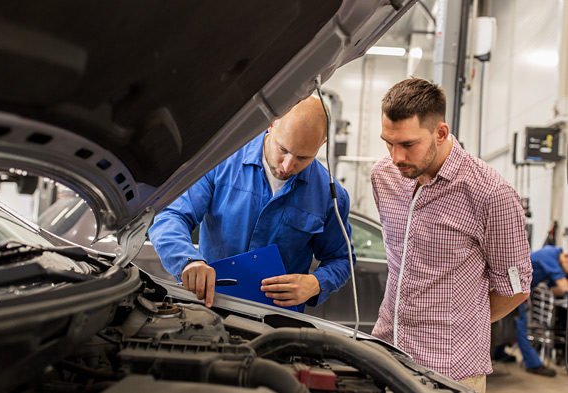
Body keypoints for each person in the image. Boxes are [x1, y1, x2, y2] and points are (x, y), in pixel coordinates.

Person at [370, 78, 532, 392]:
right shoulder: (384, 176)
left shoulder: (490, 194)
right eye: (388, 142)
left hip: (449, 373)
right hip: (385, 355)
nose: (395, 157)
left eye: (407, 144)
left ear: (440, 133)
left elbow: (516, 288)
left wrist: (457, 325)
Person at [149, 96, 355, 311]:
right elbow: (170, 216)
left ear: (321, 144)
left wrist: (315, 283)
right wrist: (188, 260)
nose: (287, 166)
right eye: (283, 150)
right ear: (271, 123)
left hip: (277, 321)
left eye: (303, 158)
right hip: (208, 309)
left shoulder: (330, 195)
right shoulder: (221, 161)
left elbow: (341, 259)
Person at [514, 245, 568, 377]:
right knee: (520, 326)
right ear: (566, 258)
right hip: (515, 290)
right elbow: (563, 286)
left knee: (512, 324)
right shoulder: (550, 254)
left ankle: (500, 353)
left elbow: (556, 289)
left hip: (521, 291)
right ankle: (534, 364)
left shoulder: (555, 260)